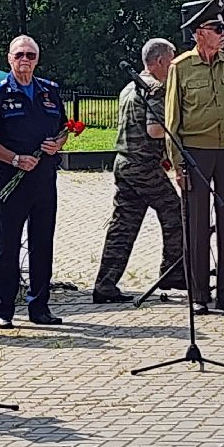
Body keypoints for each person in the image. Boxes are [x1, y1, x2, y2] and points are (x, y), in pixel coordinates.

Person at [164, 0, 224, 314]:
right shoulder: (181, 68)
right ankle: (199, 295)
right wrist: (178, 165)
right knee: (196, 223)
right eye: (216, 28)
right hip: (196, 153)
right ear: (197, 32)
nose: (223, 33)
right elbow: (172, 121)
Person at [0, 35, 66, 329]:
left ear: (37, 59)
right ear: (9, 58)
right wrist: (15, 159)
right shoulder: (0, 94)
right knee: (8, 246)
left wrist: (58, 143)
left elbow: (63, 129)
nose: (25, 61)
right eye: (19, 55)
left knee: (43, 244)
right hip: (12, 181)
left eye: (30, 55)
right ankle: (3, 308)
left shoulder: (50, 91)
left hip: (44, 179)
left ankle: (39, 307)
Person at [91, 38, 185, 304]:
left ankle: (105, 284)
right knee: (176, 211)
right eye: (172, 59)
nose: (175, 64)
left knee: (123, 226)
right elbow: (154, 130)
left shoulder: (128, 88)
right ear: (159, 62)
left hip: (124, 163)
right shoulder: (155, 89)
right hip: (143, 166)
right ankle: (173, 273)